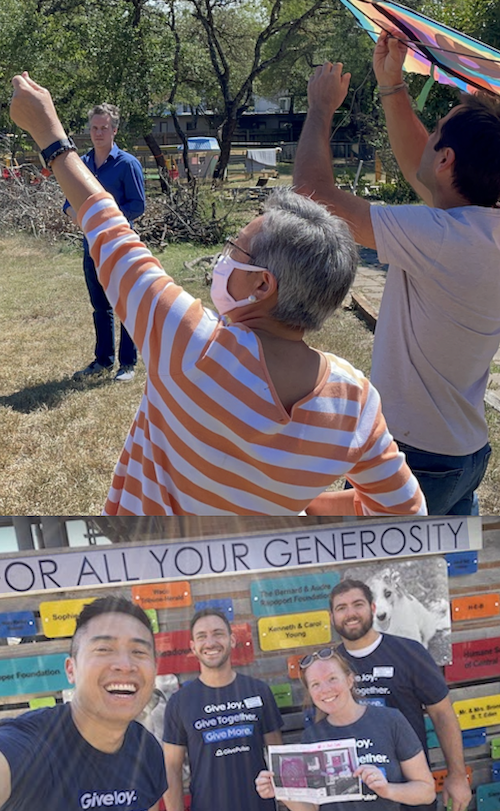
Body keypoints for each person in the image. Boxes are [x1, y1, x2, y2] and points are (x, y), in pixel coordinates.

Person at [10, 71, 427, 517]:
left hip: (150, 580)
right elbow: (405, 513)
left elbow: (107, 227)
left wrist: (49, 135)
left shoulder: (192, 345)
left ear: (263, 284)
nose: (226, 256)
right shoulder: (356, 401)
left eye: (236, 247)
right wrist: (293, 505)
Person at [293, 32, 500, 515]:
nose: (427, 140)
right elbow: (418, 166)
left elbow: (311, 195)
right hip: (464, 451)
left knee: (381, 578)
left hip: (416, 454)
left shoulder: (444, 237)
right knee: (435, 577)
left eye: (437, 133)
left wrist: (321, 107)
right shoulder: (479, 227)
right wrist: (392, 85)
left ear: (447, 160)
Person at [0, 595, 167, 810]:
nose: (125, 665)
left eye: (138, 652)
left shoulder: (147, 750)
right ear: (71, 670)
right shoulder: (30, 747)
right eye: (104, 649)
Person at [329, 580, 471, 811]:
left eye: (358, 604)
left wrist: (456, 775)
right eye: (341, 608)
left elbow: (442, 714)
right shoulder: (329, 664)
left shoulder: (410, 652)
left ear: (373, 608)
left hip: (411, 794)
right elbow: (321, 725)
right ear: (332, 617)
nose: (350, 613)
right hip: (353, 800)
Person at [255, 647, 435, 811]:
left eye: (332, 678)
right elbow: (312, 809)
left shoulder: (390, 720)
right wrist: (280, 791)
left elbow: (426, 792)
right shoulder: (312, 737)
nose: (325, 689)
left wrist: (387, 789)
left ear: (349, 680)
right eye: (315, 684)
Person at [162, 608, 283, 811]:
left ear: (232, 640)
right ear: (193, 647)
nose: (210, 643)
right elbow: (171, 770)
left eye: (218, 633)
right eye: (202, 636)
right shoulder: (179, 702)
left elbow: (278, 755)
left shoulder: (259, 691)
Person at [65, 102, 145, 382]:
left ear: (115, 130)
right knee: (100, 307)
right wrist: (75, 213)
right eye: (94, 128)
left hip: (119, 248)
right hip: (91, 248)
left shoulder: (127, 164)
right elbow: (68, 203)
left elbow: (137, 206)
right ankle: (103, 361)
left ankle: (127, 364)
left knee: (125, 306)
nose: (98, 133)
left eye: (104, 128)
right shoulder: (83, 165)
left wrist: (103, 218)